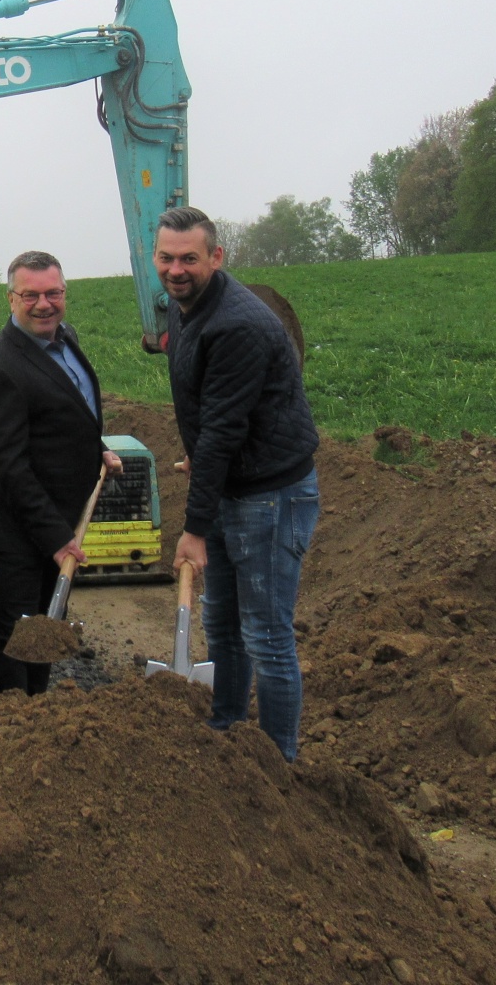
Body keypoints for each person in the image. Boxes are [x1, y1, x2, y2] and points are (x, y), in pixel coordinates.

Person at [155, 206, 321, 761]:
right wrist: (201, 462)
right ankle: (226, 728)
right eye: (166, 258)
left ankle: (279, 765)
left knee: (267, 638)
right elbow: (213, 414)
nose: (176, 269)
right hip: (234, 481)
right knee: (221, 622)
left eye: (189, 259)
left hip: (271, 496)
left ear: (216, 258)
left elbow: (224, 429)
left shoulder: (237, 325)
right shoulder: (184, 309)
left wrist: (193, 528)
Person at [0, 251, 124, 695]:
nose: (43, 304)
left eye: (53, 293)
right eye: (30, 295)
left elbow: (67, 412)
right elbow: (8, 466)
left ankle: (37, 715)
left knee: (48, 625)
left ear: (64, 294)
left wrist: (99, 448)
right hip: (15, 525)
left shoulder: (64, 337)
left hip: (59, 515)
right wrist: (57, 538)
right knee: (19, 630)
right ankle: (7, 724)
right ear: (10, 299)